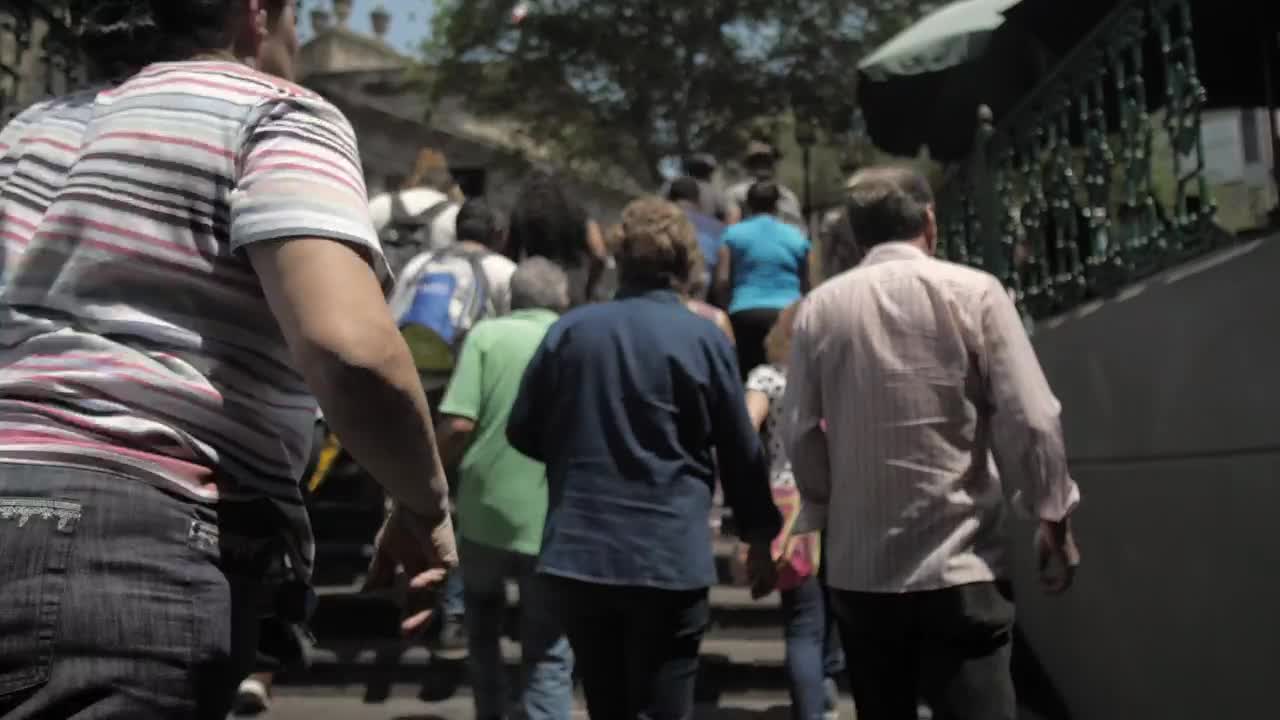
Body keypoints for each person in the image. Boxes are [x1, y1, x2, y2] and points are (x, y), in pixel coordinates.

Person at [0, 1, 456, 717]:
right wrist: (425, 501)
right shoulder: (276, 113)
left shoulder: (27, 132)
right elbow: (352, 348)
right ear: (256, 12)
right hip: (136, 540)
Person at [781, 166, 1082, 720]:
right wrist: (1053, 519)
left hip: (863, 573)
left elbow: (798, 432)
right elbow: (1034, 419)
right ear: (929, 221)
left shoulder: (819, 309)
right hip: (962, 567)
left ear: (856, 236)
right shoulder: (976, 292)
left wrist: (827, 506)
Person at [507, 197, 782, 719]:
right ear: (685, 263)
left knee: (605, 702)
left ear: (620, 259)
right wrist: (759, 536)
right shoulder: (704, 339)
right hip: (668, 552)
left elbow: (522, 430)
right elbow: (739, 449)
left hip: (582, 552)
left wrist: (579, 456)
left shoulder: (571, 331)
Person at [434, 258, 575, 720]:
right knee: (549, 647)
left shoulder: (486, 335)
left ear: (512, 296)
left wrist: (426, 474)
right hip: (553, 515)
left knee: (481, 628)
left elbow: (458, 423)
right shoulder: (572, 336)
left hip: (484, 511)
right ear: (563, 298)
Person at [744, 303, 844, 720]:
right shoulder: (841, 377)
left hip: (791, 504)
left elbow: (745, 428)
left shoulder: (768, 378)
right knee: (839, 602)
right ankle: (827, 684)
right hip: (844, 500)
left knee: (802, 621)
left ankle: (813, 707)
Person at [717, 181, 811, 379]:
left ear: (748, 205)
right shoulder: (796, 236)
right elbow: (807, 283)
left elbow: (723, 280)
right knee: (787, 377)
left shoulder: (732, 234)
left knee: (747, 375)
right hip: (786, 313)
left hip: (744, 312)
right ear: (777, 205)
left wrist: (726, 309)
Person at [506, 170, 609, 305]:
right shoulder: (576, 211)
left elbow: (509, 255)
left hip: (534, 286)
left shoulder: (521, 212)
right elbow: (599, 254)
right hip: (571, 286)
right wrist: (590, 288)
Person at [668, 175, 726, 301]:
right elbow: (722, 279)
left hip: (664, 298)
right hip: (705, 299)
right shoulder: (718, 229)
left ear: (669, 198)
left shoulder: (658, 225)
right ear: (697, 199)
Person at [727, 141, 804, 228]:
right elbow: (732, 224)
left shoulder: (787, 196)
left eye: (766, 161)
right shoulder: (736, 194)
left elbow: (796, 228)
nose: (762, 165)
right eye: (758, 161)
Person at [659, 153, 734, 223]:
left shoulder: (673, 185)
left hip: (680, 228)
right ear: (709, 171)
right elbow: (726, 215)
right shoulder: (714, 191)